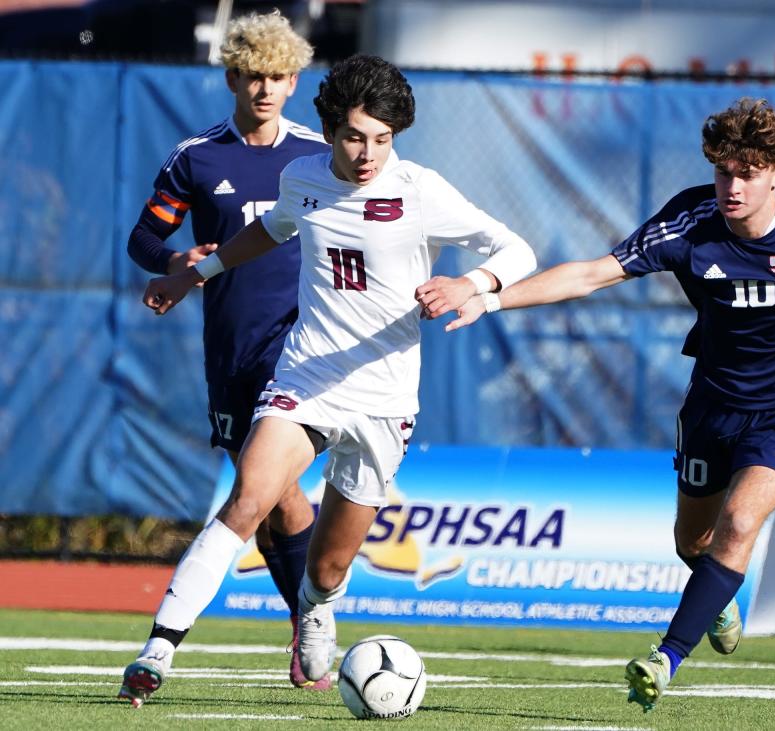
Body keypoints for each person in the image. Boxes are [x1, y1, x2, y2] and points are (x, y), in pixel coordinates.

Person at [419, 97, 775, 712]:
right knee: (692, 543)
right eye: (724, 171)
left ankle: (664, 659)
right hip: (711, 406)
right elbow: (592, 274)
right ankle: (716, 596)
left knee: (739, 524)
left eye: (748, 173)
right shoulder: (689, 222)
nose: (732, 185)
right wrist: (490, 300)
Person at [118, 53, 537, 708]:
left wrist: (471, 282)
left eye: (381, 139)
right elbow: (270, 229)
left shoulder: (420, 190)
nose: (367, 153)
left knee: (329, 566)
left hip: (386, 397)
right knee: (247, 500)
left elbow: (516, 249)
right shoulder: (303, 177)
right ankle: (157, 650)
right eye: (354, 136)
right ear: (330, 128)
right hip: (308, 375)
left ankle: (314, 609)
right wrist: (190, 274)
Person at [121, 11, 329, 699]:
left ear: (294, 81)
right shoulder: (196, 156)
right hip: (230, 350)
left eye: (278, 76)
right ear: (233, 76)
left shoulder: (317, 155)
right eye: (253, 76)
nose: (265, 88)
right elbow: (144, 243)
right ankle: (309, 624)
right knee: (271, 497)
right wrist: (177, 256)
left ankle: (298, 630)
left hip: (298, 347)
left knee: (265, 489)